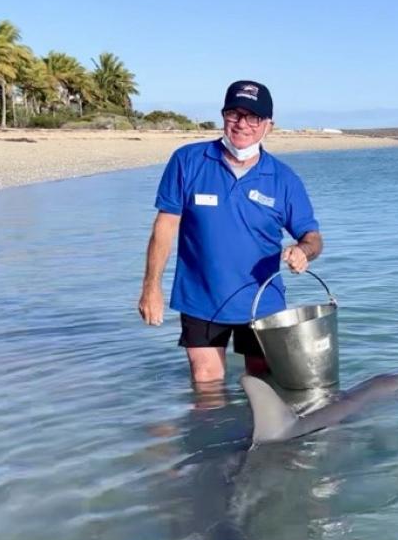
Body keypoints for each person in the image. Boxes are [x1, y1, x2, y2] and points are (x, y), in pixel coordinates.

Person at [137, 80, 323, 384]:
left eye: (253, 117)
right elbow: (165, 225)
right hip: (200, 297)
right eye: (234, 114)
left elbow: (313, 238)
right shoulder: (187, 160)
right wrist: (151, 287)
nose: (242, 124)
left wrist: (303, 252)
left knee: (264, 383)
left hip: (262, 301)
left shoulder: (284, 179)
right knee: (206, 382)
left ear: (269, 126)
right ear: (223, 116)